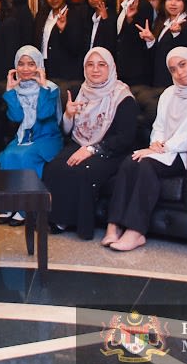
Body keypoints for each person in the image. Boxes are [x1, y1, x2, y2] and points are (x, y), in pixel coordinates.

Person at [102, 48, 187, 251]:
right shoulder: (169, 93)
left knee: (145, 166)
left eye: (183, 65)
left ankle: (136, 231)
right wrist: (156, 143)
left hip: (186, 154)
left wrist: (165, 147)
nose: (180, 72)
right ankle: (113, 226)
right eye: (173, 69)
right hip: (163, 149)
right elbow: (159, 125)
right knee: (129, 161)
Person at [42, 47, 139, 240]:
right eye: (90, 65)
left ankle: (79, 224)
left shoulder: (123, 97)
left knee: (83, 169)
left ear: (110, 68)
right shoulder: (81, 91)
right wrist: (69, 115)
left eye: (101, 65)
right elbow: (67, 131)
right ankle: (56, 218)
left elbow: (125, 138)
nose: (95, 70)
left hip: (112, 151)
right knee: (55, 166)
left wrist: (92, 149)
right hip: (79, 144)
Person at [0, 45, 62, 225]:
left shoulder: (51, 88)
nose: (26, 69)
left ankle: (25, 208)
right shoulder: (16, 88)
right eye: (21, 64)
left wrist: (42, 88)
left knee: (26, 155)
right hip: (24, 136)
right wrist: (10, 92)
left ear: (39, 66)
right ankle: (9, 205)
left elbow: (44, 114)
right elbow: (17, 117)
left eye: (31, 64)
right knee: (9, 155)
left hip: (48, 137)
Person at [140, 0, 187, 87]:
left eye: (178, 0)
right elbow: (159, 54)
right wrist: (151, 40)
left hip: (176, 81)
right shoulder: (162, 22)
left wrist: (176, 34)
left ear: (185, 3)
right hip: (159, 79)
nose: (173, 3)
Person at [33, 0, 86, 81]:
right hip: (43, 67)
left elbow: (76, 47)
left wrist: (63, 30)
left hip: (65, 72)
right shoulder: (41, 15)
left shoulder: (75, 15)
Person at [112, 0, 154, 87]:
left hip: (136, 70)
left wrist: (130, 20)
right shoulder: (124, 5)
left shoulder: (144, 5)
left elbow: (140, 38)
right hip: (122, 68)